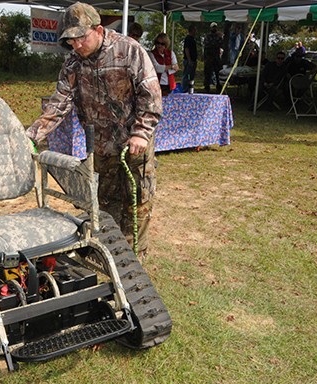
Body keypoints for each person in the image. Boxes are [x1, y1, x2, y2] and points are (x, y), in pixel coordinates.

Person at [26, 2, 162, 258]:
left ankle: (134, 261)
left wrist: (141, 132)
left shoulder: (129, 50)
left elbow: (151, 94)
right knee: (104, 201)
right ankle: (109, 252)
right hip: (100, 146)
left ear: (99, 30)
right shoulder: (72, 64)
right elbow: (59, 104)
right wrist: (31, 135)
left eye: (80, 38)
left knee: (137, 200)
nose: (76, 45)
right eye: (70, 41)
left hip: (134, 144)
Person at [203, 22, 223, 94]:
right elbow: (206, 45)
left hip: (216, 57)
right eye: (213, 27)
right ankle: (207, 88)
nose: (214, 28)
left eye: (215, 27)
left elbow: (221, 44)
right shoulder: (207, 36)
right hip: (209, 57)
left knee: (218, 74)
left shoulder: (219, 35)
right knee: (208, 74)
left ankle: (219, 87)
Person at [182, 24, 197, 93]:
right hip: (189, 60)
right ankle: (184, 89)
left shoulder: (193, 39)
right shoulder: (188, 39)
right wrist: (189, 60)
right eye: (195, 30)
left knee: (191, 76)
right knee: (186, 75)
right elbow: (186, 49)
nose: (196, 31)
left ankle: (190, 89)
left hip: (193, 60)